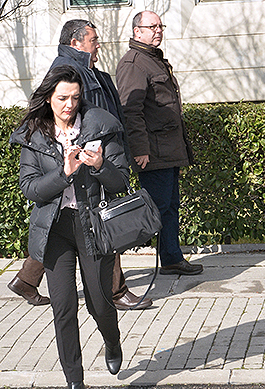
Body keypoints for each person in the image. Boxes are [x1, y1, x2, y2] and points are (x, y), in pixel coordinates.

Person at [8, 19, 153, 311]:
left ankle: (26, 279)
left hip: (100, 156)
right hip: (81, 160)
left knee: (91, 222)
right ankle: (115, 291)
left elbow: (109, 117)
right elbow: (69, 117)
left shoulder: (90, 71)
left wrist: (117, 153)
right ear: (76, 43)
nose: (98, 45)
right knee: (104, 223)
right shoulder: (69, 72)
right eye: (93, 40)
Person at [11, 65, 129, 389]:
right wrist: (64, 174)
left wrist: (100, 166)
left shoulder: (100, 127)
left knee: (100, 302)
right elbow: (30, 188)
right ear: (48, 98)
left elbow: (121, 180)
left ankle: (112, 339)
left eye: (75, 98)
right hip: (55, 231)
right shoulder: (35, 136)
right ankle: (74, 383)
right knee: (63, 308)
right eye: (62, 98)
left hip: (93, 226)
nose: (69, 105)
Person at [116, 11, 203, 276]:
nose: (158, 30)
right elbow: (130, 110)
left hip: (168, 150)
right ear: (136, 31)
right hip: (153, 152)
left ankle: (171, 259)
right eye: (151, 26)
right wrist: (140, 149)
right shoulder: (134, 63)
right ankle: (109, 262)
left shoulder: (152, 60)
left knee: (167, 208)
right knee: (149, 212)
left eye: (160, 26)